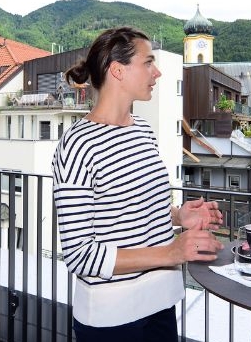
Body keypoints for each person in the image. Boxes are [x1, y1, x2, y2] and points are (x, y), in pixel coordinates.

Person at [51, 27, 224, 342]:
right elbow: (80, 255)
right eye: (148, 62)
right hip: (112, 318)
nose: (156, 72)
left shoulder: (143, 130)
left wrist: (177, 215)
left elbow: (134, 205)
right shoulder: (77, 144)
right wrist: (170, 253)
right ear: (117, 70)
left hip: (160, 300)